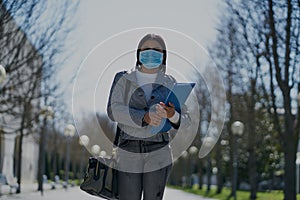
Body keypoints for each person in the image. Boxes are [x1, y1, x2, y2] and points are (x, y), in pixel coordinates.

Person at [107, 33, 191, 200]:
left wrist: (172, 114)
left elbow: (186, 121)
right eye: (146, 49)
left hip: (159, 150)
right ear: (138, 53)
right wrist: (144, 117)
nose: (151, 53)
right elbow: (113, 110)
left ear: (163, 55)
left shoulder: (170, 82)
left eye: (156, 50)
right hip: (128, 150)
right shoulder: (122, 78)